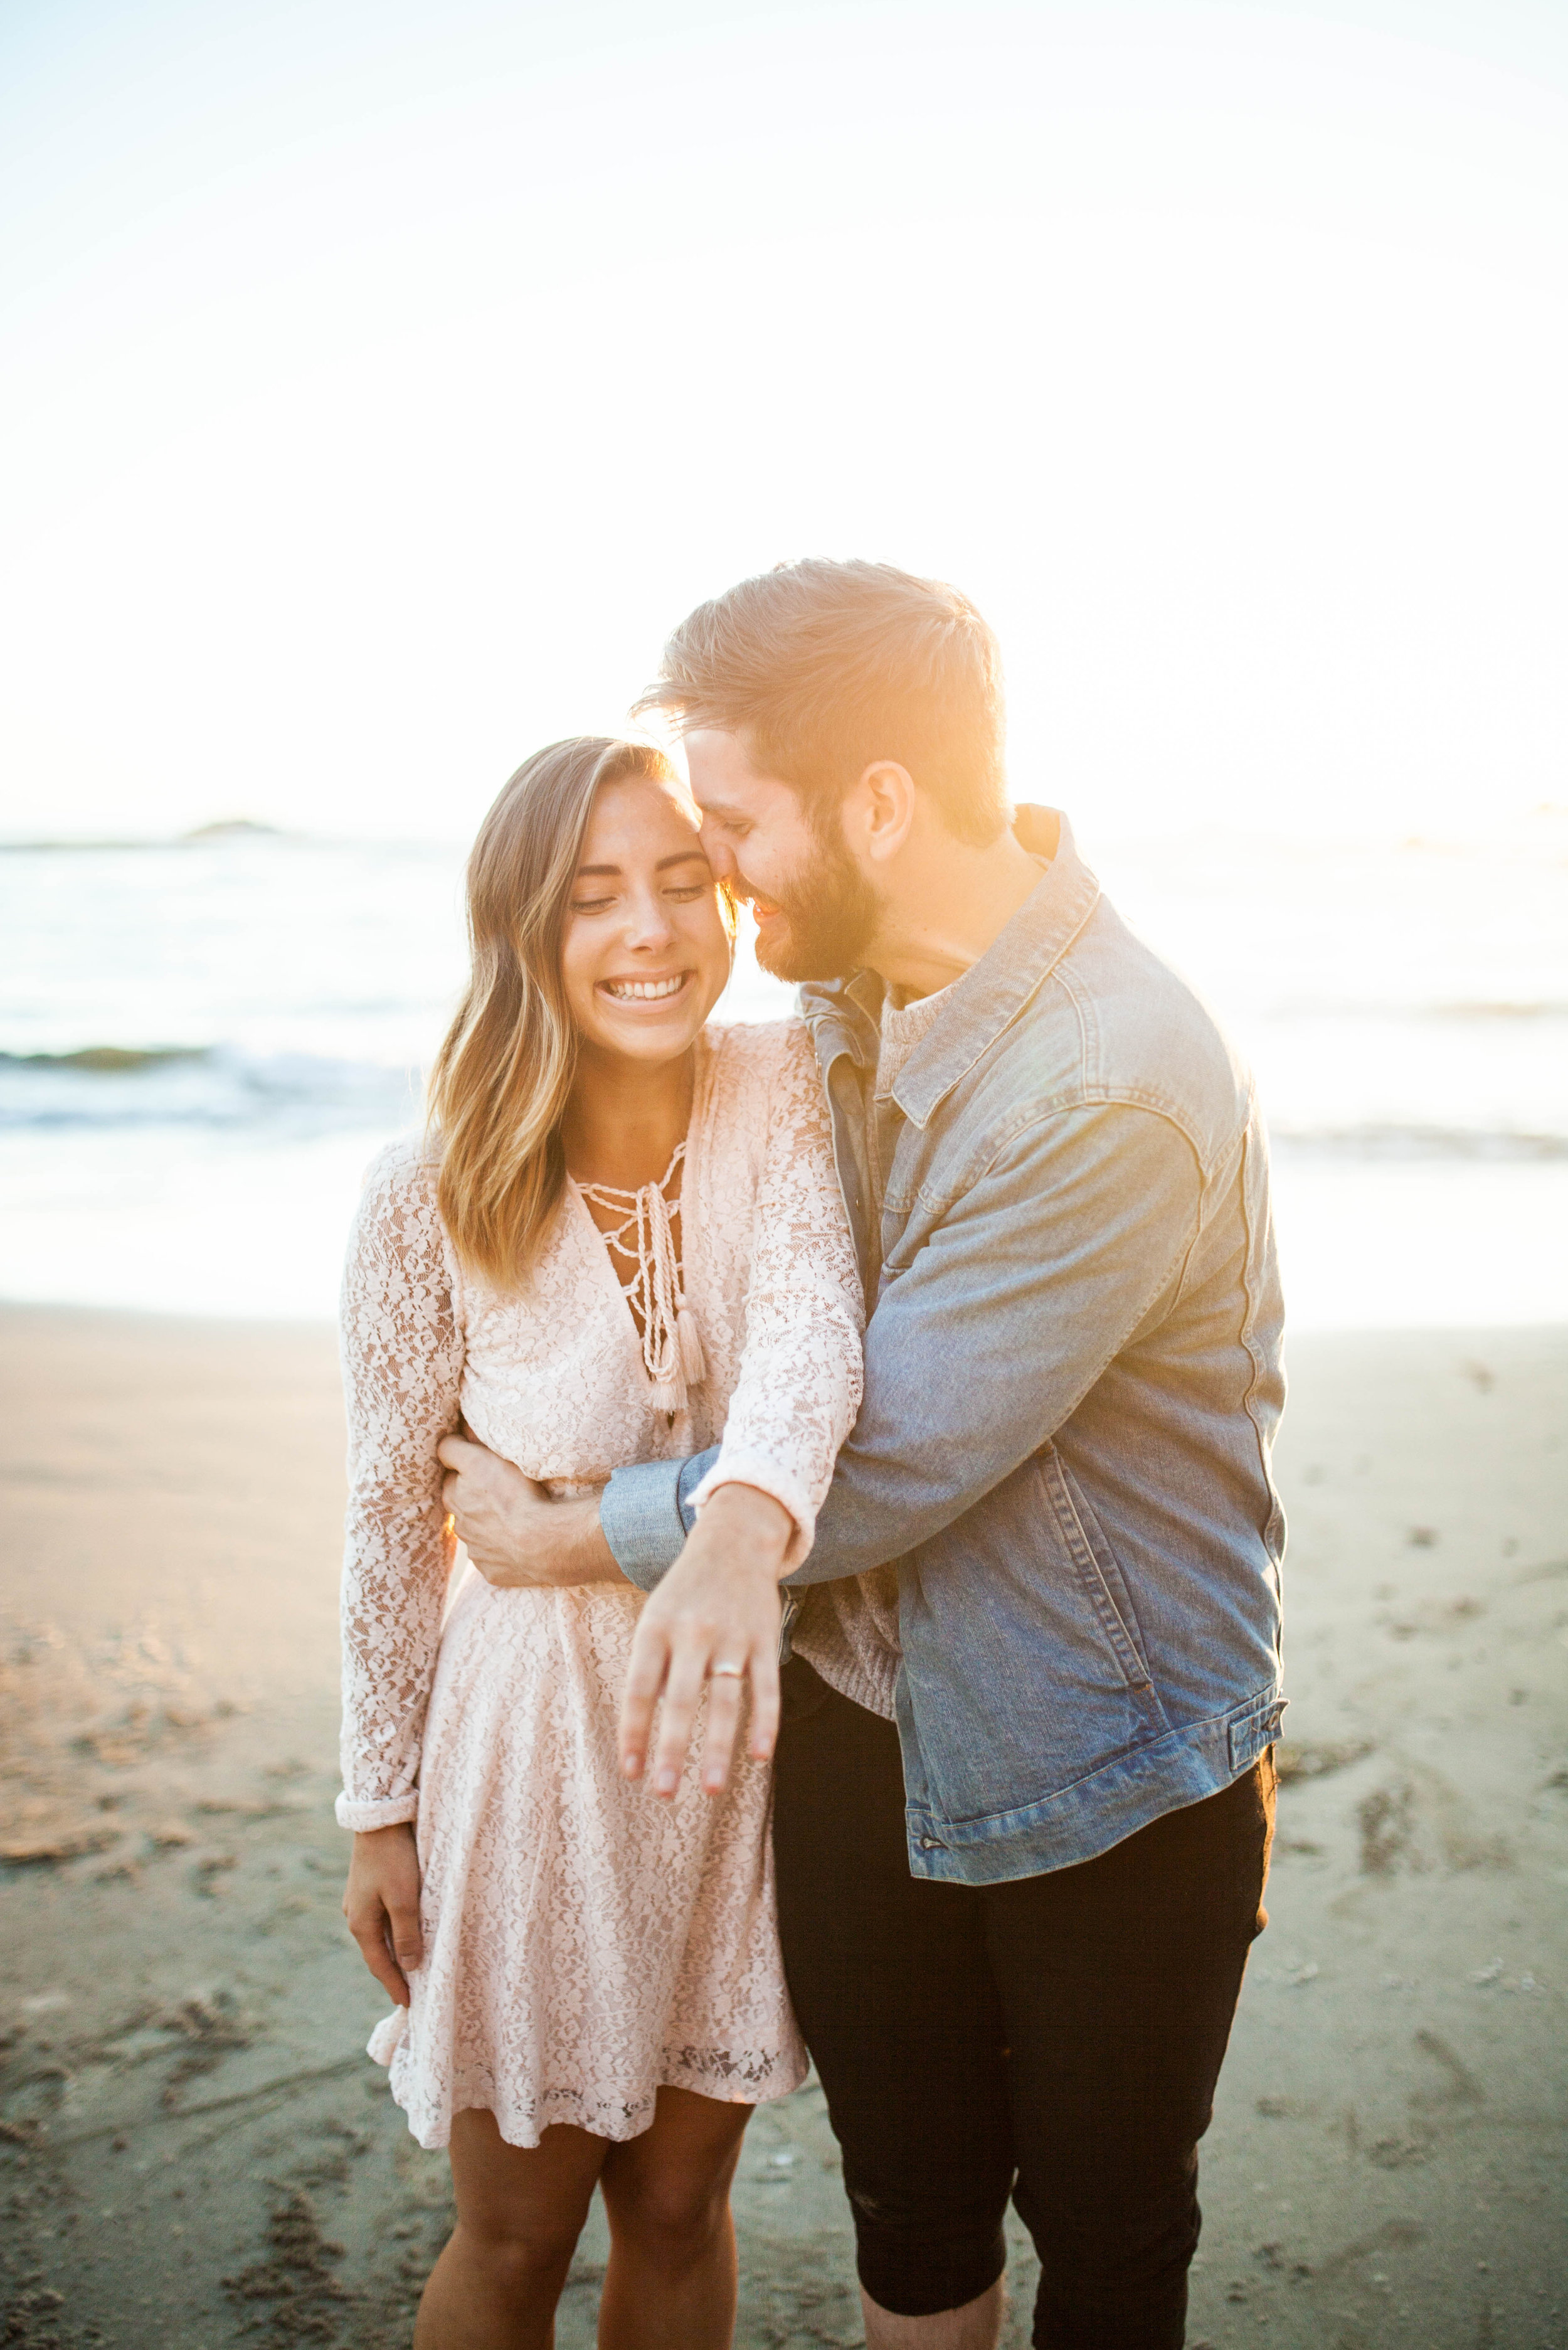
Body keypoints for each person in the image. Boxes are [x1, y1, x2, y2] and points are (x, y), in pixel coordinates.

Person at [441, 562, 1287, 2350]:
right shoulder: (837, 1002)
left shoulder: (1115, 1078)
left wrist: (569, 1532)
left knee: (1112, 2237)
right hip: (856, 1728)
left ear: (880, 802)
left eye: (733, 824)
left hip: (1103, 1760)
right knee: (906, 2212)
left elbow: (887, 1447)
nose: (716, 874)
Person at [336, 733, 866, 2350]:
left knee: (680, 2205)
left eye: (683, 881)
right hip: (531, 1752)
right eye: (594, 898)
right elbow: (384, 1522)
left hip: (736, 1751)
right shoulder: (430, 1189)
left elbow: (811, 1341)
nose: (652, 930)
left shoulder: (783, 1084)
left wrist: (701, 1535)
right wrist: (378, 1807)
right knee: (513, 2239)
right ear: (525, 930)